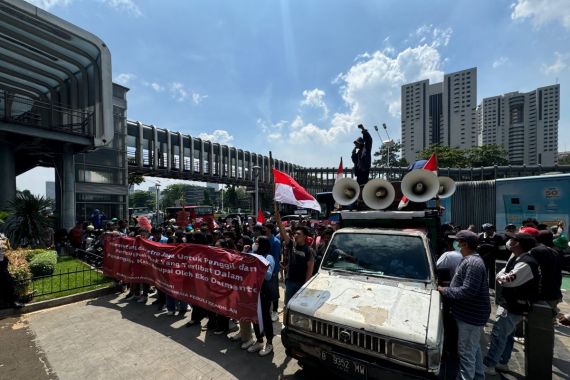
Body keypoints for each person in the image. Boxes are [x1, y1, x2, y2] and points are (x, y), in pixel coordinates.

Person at [484, 233, 539, 375]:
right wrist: (500, 277)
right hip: (510, 303)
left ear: (518, 244)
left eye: (512, 240)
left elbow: (508, 280)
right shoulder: (516, 258)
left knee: (498, 335)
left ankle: (490, 365)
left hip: (513, 306)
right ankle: (503, 362)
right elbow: (501, 274)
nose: (509, 242)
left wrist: (500, 278)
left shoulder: (526, 262)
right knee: (507, 335)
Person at [438, 230, 490, 380]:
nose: (457, 245)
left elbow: (467, 291)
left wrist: (444, 290)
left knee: (466, 354)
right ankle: (479, 376)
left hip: (470, 316)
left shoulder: (473, 263)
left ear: (465, 244)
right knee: (474, 351)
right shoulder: (469, 260)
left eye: (459, 242)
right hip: (470, 314)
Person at [246, 236, 277, 357]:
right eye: (255, 242)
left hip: (263, 293)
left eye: (257, 243)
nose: (255, 244)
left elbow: (268, 276)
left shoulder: (268, 257)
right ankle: (259, 340)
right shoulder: (252, 254)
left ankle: (269, 343)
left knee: (265, 317)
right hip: (253, 291)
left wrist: (258, 263)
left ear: (263, 245)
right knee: (255, 316)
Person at [275, 211, 315, 305]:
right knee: (288, 305)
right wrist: (279, 221)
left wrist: (305, 286)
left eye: (298, 234)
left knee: (298, 306)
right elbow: (284, 234)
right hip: (290, 282)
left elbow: (309, 270)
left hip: (301, 284)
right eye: (295, 233)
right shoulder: (291, 245)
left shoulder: (309, 251)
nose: (295, 235)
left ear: (304, 237)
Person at [263, 222, 281, 322]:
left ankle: (275, 311)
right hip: (265, 271)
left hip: (272, 271)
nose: (263, 230)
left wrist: (274, 271)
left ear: (269, 229)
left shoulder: (275, 242)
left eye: (264, 228)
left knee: (274, 291)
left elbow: (275, 258)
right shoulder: (264, 239)